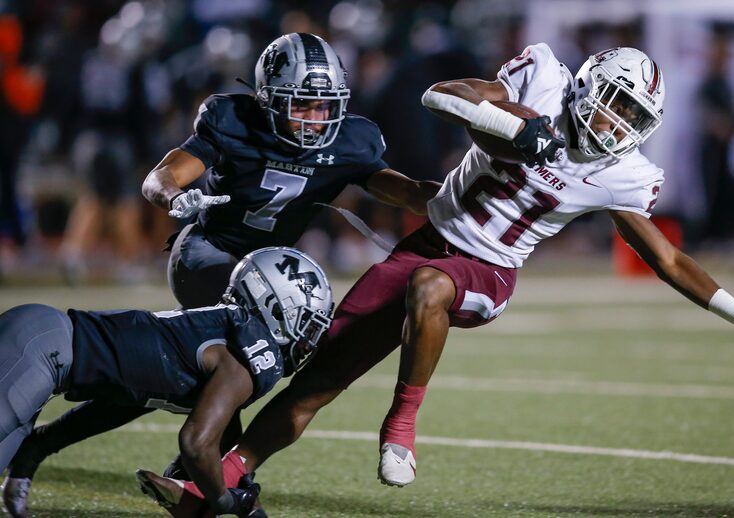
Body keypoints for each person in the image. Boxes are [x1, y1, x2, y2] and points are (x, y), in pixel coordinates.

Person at [130, 44, 734, 513]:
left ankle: (402, 423)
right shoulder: (541, 79)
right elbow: (443, 95)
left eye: (633, 119)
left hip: (488, 270)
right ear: (586, 84)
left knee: (430, 289)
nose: (615, 126)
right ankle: (216, 478)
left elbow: (666, 258)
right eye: (613, 105)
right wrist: (521, 125)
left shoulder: (627, 174)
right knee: (315, 375)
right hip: (426, 241)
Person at [2, 31, 440, 511]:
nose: (316, 119)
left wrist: (455, 196)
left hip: (267, 272)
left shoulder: (353, 140)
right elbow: (162, 176)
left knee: (167, 378)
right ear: (268, 98)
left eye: (324, 105)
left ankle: (54, 447)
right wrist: (174, 195)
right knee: (244, 357)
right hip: (208, 255)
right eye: (302, 104)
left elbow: (402, 189)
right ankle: (210, 477)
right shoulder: (233, 120)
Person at [0, 247, 333, 517]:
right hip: (39, 348)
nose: (308, 342)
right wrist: (226, 501)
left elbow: (124, 400)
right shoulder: (249, 358)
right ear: (276, 309)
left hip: (42, 348)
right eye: (308, 325)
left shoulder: (222, 338)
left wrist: (37, 447)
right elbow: (196, 444)